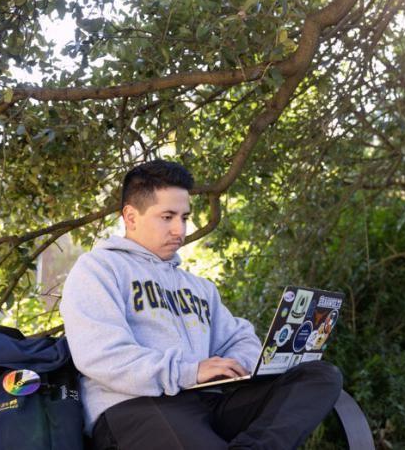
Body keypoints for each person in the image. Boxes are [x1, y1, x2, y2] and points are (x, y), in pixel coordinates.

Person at [61, 160, 342, 450]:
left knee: (320, 376)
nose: (179, 230)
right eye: (167, 217)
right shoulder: (99, 269)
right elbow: (102, 356)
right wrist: (189, 371)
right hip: (134, 407)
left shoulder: (198, 287)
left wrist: (241, 365)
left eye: (184, 217)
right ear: (131, 217)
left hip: (207, 403)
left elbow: (239, 338)